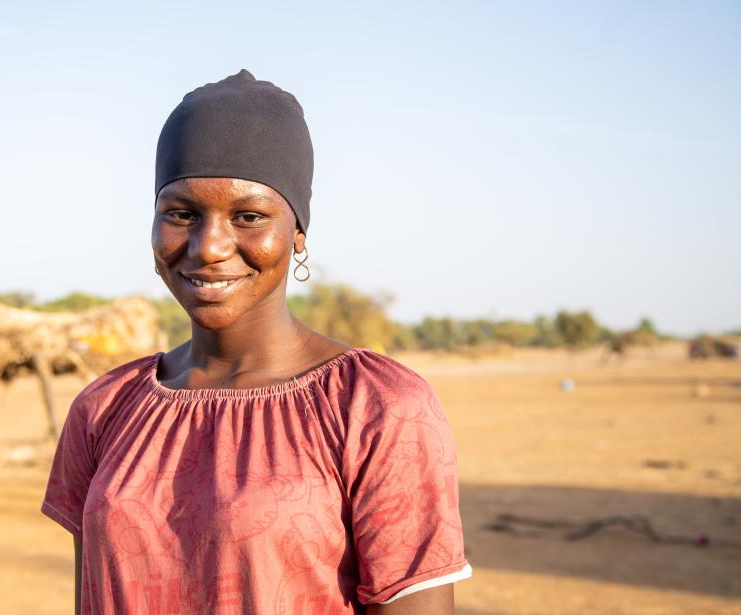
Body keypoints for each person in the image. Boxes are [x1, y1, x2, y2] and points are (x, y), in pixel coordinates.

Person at [41, 69, 471, 614]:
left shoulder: (376, 406)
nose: (208, 246)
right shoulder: (106, 407)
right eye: (181, 214)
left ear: (297, 234)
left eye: (248, 216)